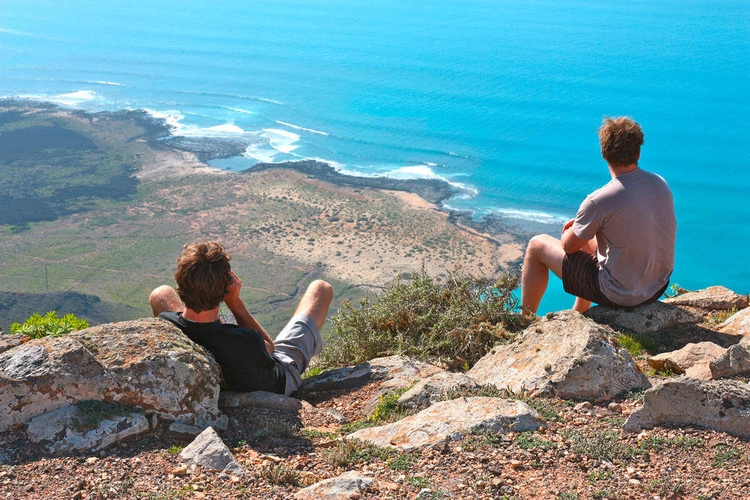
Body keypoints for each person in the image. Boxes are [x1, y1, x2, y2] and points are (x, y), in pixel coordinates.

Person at [520, 117, 676, 316]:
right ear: (638, 152)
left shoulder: (599, 200)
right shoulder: (660, 184)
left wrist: (572, 229)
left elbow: (568, 247)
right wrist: (585, 229)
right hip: (656, 287)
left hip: (619, 295)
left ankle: (525, 319)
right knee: (591, 237)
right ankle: (580, 311)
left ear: (605, 154)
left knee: (537, 245)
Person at [149, 241, 333, 396]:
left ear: (181, 285)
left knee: (161, 294)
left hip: (210, 348)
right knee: (321, 288)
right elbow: (270, 350)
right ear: (225, 289)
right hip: (280, 381)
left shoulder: (167, 323)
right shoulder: (247, 341)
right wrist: (235, 303)